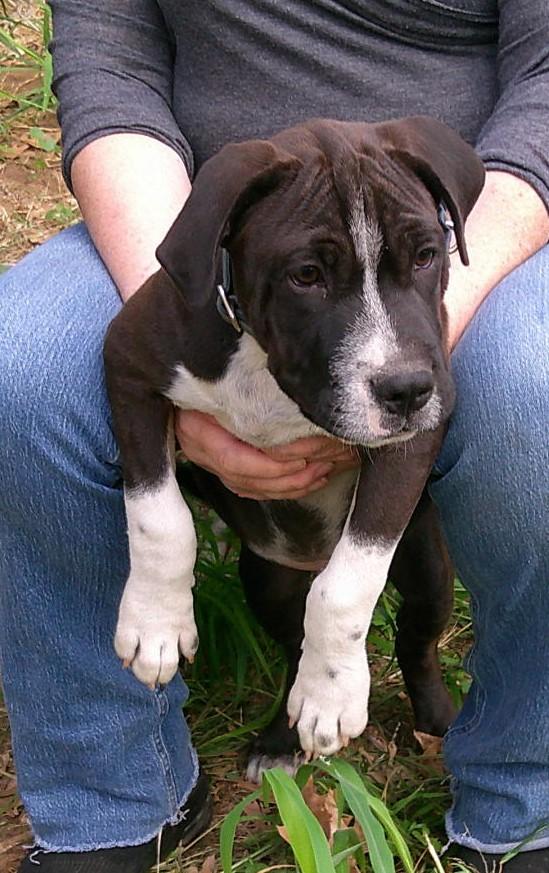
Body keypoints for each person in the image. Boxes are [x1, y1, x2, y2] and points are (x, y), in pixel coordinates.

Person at [0, 2, 547, 871]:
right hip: (187, 217)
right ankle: (115, 794)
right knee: (19, 368)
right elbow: (112, 70)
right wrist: (194, 331)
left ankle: (528, 794)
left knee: (533, 388)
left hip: (468, 218)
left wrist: (439, 287)